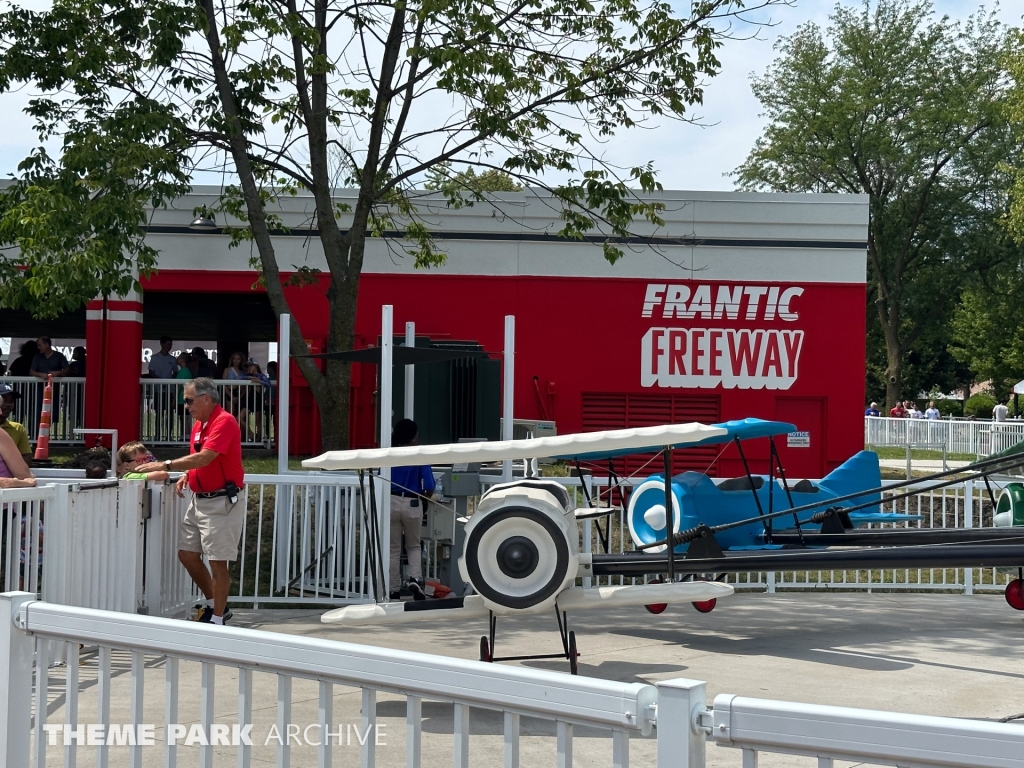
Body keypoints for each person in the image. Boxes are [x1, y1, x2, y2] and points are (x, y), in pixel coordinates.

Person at [136, 378, 244, 625]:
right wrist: (187, 474)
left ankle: (217, 619)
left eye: (188, 400)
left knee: (218, 561)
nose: (185, 405)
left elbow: (206, 457)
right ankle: (216, 606)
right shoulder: (199, 424)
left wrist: (167, 465)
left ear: (207, 398)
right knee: (187, 554)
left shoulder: (224, 421)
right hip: (200, 498)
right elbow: (200, 459)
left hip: (221, 501)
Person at [388, 418, 435, 601]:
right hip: (413, 502)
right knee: (414, 545)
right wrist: (426, 496)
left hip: (391, 501)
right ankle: (414, 579)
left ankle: (393, 590)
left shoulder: (390, 454)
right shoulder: (419, 454)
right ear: (414, 438)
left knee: (393, 549)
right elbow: (429, 484)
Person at [0, 383, 32, 465]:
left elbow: (26, 456)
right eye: (4, 400)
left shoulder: (18, 429)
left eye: (11, 401)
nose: (8, 405)